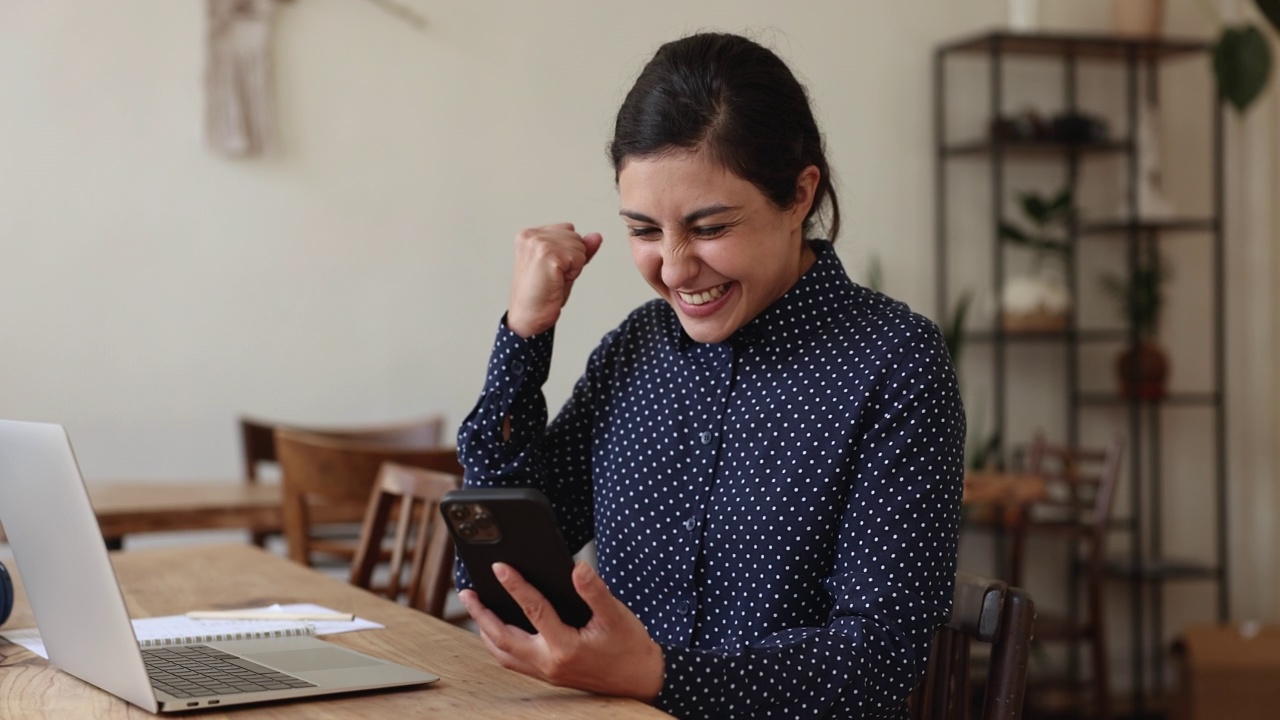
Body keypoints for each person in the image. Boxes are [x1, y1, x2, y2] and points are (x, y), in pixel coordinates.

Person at [454, 31, 965, 718]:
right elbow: (493, 571)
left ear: (798, 195)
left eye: (709, 227)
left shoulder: (895, 364)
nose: (674, 267)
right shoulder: (639, 349)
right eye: (643, 231)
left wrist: (659, 674)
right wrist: (524, 336)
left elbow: (881, 655)